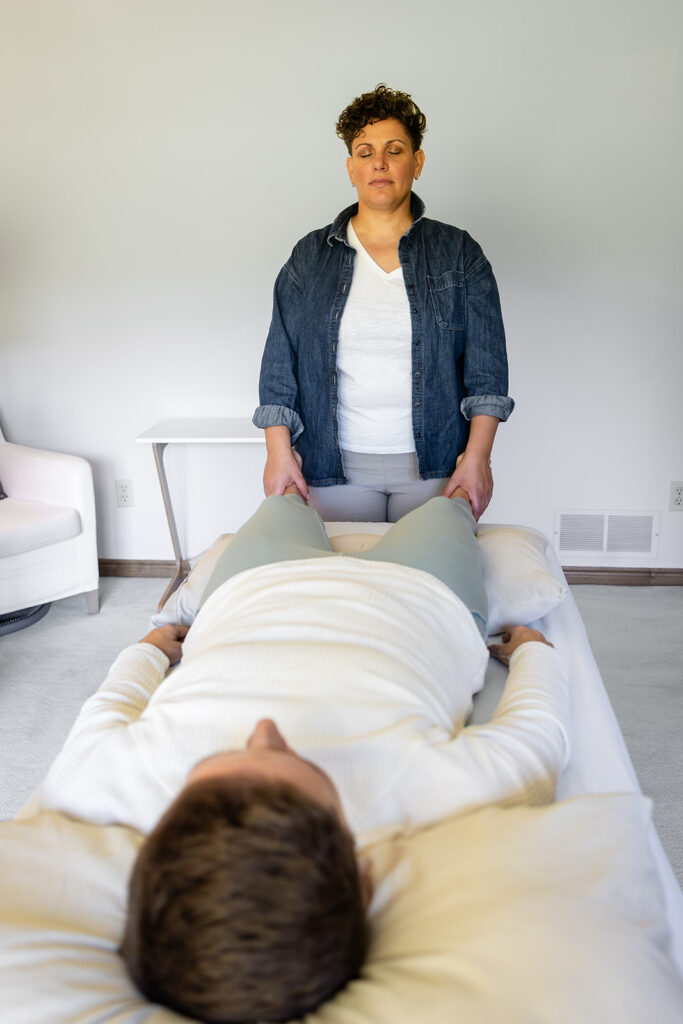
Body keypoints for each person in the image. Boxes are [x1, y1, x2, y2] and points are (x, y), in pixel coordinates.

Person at [40, 487, 569, 1022]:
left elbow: (113, 702)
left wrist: (150, 648)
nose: (266, 728)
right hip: (421, 592)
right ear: (362, 877)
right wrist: (529, 644)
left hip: (254, 588)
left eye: (215, 761)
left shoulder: (94, 784)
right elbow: (541, 728)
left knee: (285, 499)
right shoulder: (440, 797)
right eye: (301, 762)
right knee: (449, 502)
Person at [253, 84, 514, 522]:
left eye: (395, 150)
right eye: (365, 151)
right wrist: (278, 453)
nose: (379, 162)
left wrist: (478, 457)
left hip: (436, 469)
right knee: (346, 588)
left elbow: (488, 370)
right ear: (351, 168)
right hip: (332, 470)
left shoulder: (459, 253)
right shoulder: (309, 257)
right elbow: (280, 367)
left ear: (417, 162)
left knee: (428, 587)